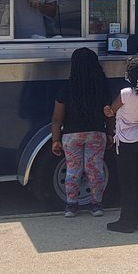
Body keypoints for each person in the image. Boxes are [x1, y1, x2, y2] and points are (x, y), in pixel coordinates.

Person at [50, 46, 110, 217]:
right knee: (95, 169)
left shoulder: (66, 89)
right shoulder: (101, 88)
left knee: (73, 170)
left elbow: (57, 119)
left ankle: (71, 205)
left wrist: (55, 139)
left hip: (71, 136)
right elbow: (109, 114)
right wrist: (111, 133)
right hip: (96, 134)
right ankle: (96, 205)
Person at [104, 56, 138, 234]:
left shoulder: (125, 93)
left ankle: (126, 221)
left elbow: (112, 110)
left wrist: (107, 111)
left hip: (125, 141)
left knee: (127, 183)